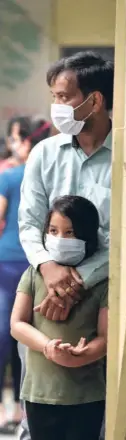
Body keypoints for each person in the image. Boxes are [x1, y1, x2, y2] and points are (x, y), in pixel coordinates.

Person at [18, 51, 113, 440]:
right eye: (54, 97)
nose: (56, 107)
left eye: (62, 97)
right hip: (45, 291)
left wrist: (77, 281)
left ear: (95, 100)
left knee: (95, 409)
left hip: (103, 293)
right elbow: (28, 223)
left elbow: (123, 238)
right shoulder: (44, 154)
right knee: (41, 403)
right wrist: (49, 269)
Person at [11, 195, 107, 440]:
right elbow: (17, 324)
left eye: (70, 232)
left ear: (87, 234)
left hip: (87, 395)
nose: (60, 239)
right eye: (53, 231)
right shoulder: (34, 274)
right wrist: (47, 347)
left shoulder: (101, 282)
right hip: (39, 393)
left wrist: (83, 356)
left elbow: (106, 337)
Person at [0, 119, 51, 436]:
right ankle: (21, 409)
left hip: (7, 265)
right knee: (27, 337)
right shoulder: (48, 177)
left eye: (17, 139)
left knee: (4, 333)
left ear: (28, 144)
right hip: (39, 266)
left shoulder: (9, 177)